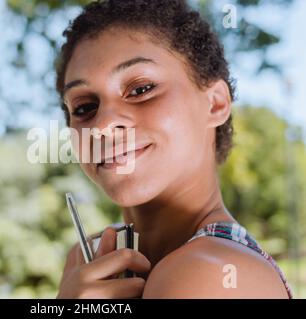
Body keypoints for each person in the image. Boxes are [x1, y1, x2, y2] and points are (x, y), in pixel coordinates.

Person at [54, 0, 292, 298]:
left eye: (140, 89)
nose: (102, 125)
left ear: (215, 103)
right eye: (84, 107)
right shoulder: (88, 263)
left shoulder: (208, 273)